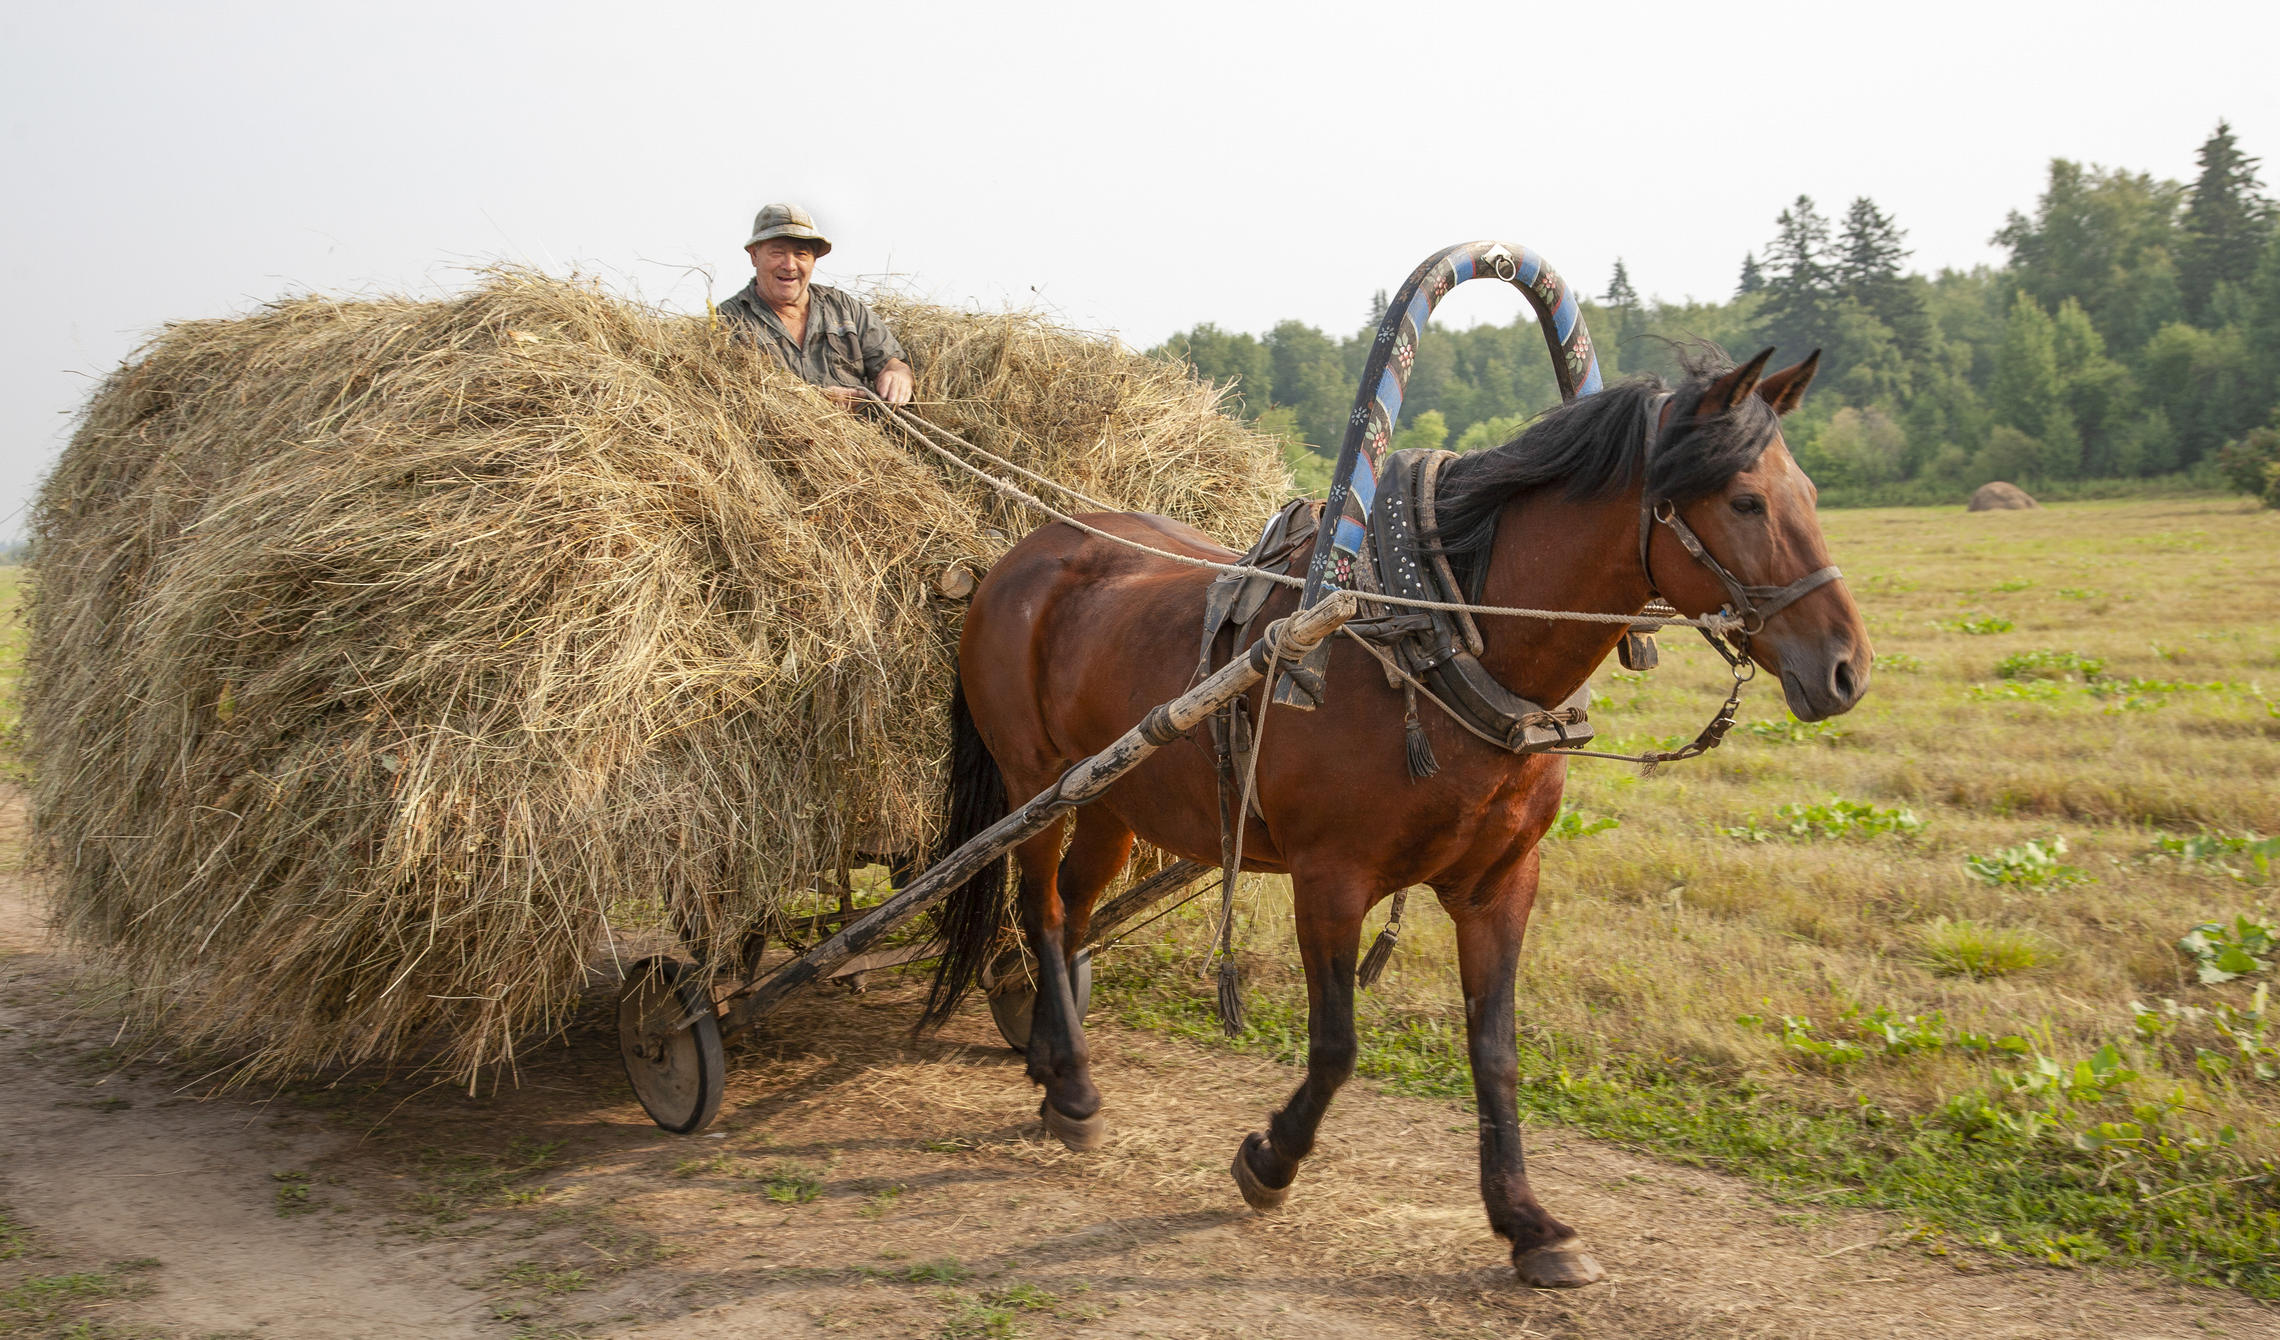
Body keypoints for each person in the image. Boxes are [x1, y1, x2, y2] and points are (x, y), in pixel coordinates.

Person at [717, 203, 914, 406]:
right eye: (777, 253)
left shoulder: (844, 308)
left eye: (801, 254)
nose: (789, 265)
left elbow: (892, 362)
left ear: (813, 260)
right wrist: (817, 402)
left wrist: (897, 374)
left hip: (860, 435)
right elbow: (730, 398)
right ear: (754, 255)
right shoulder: (728, 321)